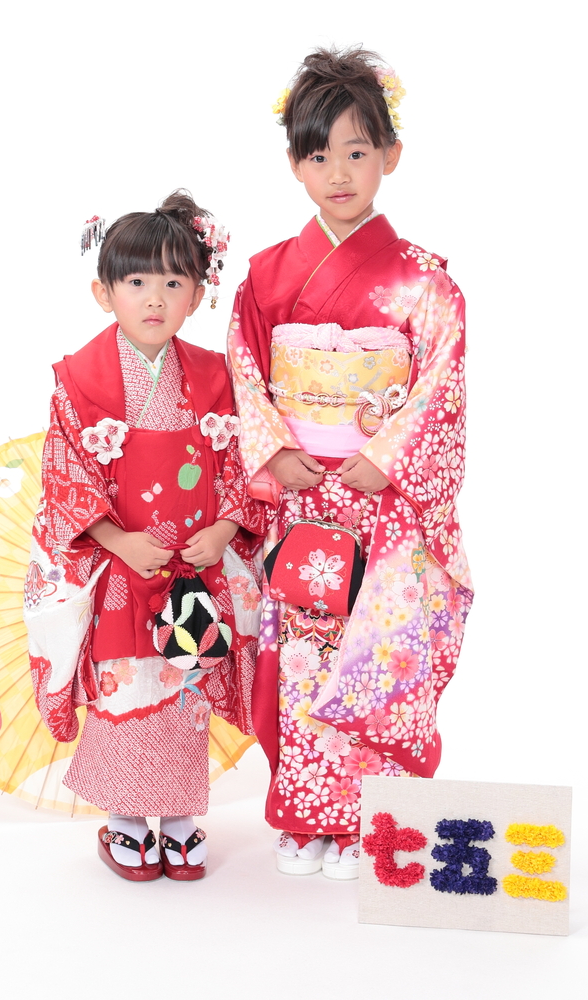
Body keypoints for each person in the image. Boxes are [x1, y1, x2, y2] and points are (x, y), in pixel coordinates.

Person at [228, 47, 473, 879]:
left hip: (384, 502)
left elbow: (439, 383)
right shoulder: (264, 277)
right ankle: (305, 817)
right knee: (301, 651)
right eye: (317, 154)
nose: (338, 173)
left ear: (390, 156)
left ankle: (367, 817)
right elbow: (244, 372)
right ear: (293, 164)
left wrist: (385, 456)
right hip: (300, 495)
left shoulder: (424, 281)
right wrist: (275, 450)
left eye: (357, 151)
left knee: (375, 654)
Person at [24, 191, 267, 882]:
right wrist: (115, 538)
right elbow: (66, 474)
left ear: (198, 295)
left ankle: (182, 818)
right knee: (126, 685)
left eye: (173, 281)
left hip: (194, 566)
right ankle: (126, 818)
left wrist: (225, 527)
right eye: (135, 281)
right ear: (103, 292)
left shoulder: (217, 377)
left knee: (184, 682)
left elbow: (242, 463)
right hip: (121, 566)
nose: (154, 297)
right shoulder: (79, 380)